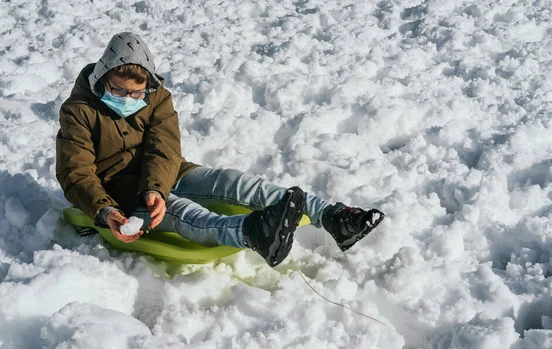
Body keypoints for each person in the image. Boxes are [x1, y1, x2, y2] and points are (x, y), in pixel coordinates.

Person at [55, 32, 384, 267]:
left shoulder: (157, 98)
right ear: (101, 78)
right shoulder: (79, 111)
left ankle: (333, 217)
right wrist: (106, 210)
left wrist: (155, 187)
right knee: (181, 212)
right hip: (118, 191)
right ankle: (254, 233)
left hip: (168, 172)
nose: (128, 99)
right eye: (118, 91)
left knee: (233, 182)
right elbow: (76, 171)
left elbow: (164, 148)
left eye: (136, 93)